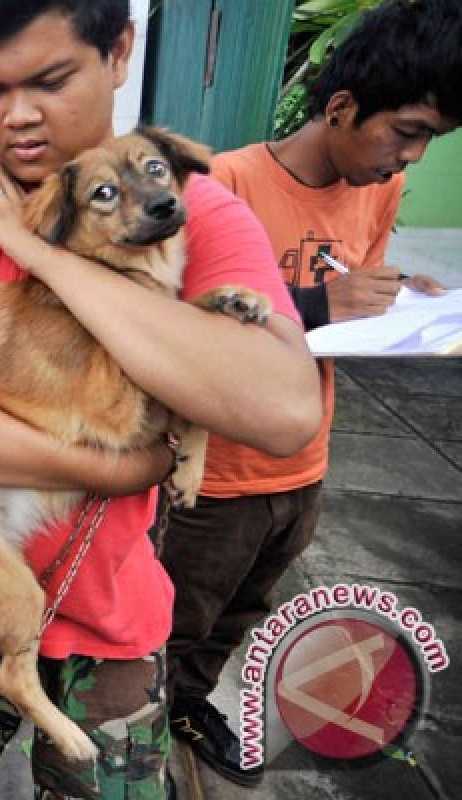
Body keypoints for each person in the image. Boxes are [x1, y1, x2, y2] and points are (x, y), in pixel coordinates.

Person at [0, 0, 323, 797]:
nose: (19, 117)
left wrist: (44, 254)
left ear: (119, 51)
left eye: (51, 79)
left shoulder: (184, 206)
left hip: (114, 615)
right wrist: (114, 468)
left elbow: (284, 412)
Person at [160, 0, 460, 786]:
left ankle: (187, 706)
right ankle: (139, 727)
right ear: (340, 107)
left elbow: (355, 294)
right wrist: (323, 304)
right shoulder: (222, 185)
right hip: (214, 475)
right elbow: (173, 329)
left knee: (240, 612)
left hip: (304, 464)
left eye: (431, 140)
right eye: (408, 130)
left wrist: (407, 301)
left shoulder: (378, 189)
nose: (413, 158)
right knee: (174, 618)